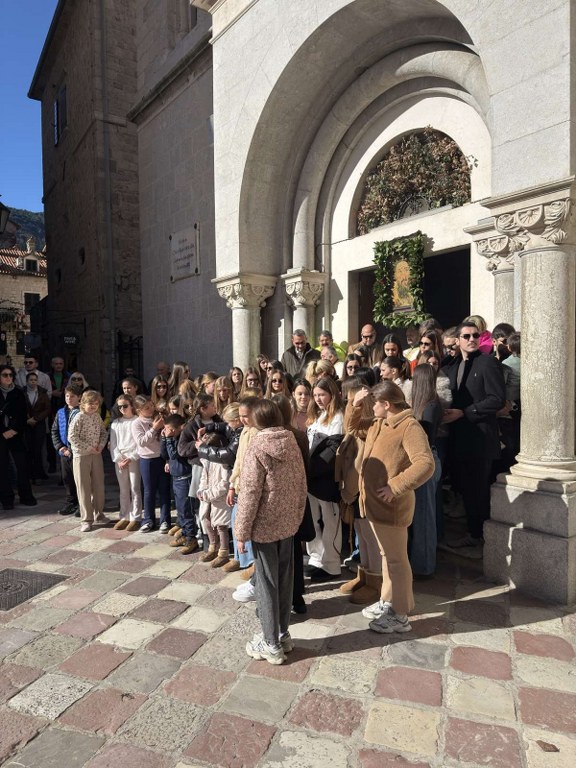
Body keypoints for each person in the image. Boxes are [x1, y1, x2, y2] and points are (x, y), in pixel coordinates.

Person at [349, 381, 434, 633]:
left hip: (392, 507)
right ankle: (389, 600)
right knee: (388, 556)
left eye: (373, 403)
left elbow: (425, 464)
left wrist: (395, 486)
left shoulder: (409, 426)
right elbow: (353, 428)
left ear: (386, 404)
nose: (371, 407)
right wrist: (355, 405)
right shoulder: (380, 423)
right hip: (376, 505)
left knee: (396, 560)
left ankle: (400, 614)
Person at [235, 399, 307, 665]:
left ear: (257, 420)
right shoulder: (292, 440)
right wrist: (297, 516)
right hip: (287, 523)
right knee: (285, 578)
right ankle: (282, 634)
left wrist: (241, 531)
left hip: (265, 524)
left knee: (266, 583)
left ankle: (271, 642)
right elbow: (301, 483)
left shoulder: (257, 445)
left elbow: (250, 491)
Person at [443, 321, 506, 546]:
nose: (472, 339)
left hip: (480, 439)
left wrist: (466, 412)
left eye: (475, 336)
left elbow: (497, 399)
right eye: (467, 336)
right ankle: (473, 533)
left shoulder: (487, 362)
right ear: (457, 340)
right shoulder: (453, 365)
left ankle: (479, 537)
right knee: (465, 489)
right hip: (458, 438)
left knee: (478, 490)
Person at [306, 376, 345, 580]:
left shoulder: (338, 417)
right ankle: (316, 558)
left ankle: (331, 564)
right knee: (313, 520)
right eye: (315, 395)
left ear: (332, 394)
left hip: (326, 478)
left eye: (322, 394)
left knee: (331, 521)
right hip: (311, 477)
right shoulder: (318, 415)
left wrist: (310, 469)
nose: (318, 399)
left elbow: (332, 451)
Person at [408, 365, 443, 577]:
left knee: (424, 517)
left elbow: (426, 438)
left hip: (427, 460)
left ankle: (424, 567)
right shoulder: (425, 404)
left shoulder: (430, 405)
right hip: (424, 459)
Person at [68, 389, 109, 533]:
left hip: (96, 454)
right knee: (84, 488)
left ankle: (99, 514)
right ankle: (86, 520)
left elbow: (104, 433)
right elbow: (72, 437)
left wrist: (101, 446)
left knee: (98, 486)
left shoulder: (97, 417)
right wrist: (88, 448)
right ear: (83, 403)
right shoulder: (79, 417)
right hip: (81, 456)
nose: (93, 406)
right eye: (90, 403)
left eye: (96, 404)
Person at [132, 395, 171, 532]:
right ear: (139, 410)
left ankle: (165, 520)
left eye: (151, 406)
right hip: (147, 460)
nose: (151, 409)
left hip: (162, 458)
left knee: (164, 490)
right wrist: (154, 428)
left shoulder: (159, 418)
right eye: (146, 408)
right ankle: (148, 519)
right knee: (149, 491)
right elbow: (141, 442)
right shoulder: (136, 423)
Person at [162, 413, 199, 554]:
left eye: (170, 429)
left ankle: (191, 538)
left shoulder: (182, 439)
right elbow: (164, 454)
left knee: (186, 509)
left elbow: (174, 455)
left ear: (178, 428)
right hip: (176, 477)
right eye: (166, 429)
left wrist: (169, 439)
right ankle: (184, 533)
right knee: (180, 509)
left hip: (185, 478)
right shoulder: (170, 438)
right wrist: (164, 439)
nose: (168, 431)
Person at [0, 365, 36, 510]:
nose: (8, 378)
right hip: (1, 435)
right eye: (5, 375)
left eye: (10, 375)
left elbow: (23, 414)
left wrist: (14, 430)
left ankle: (26, 496)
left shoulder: (18, 393)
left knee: (22, 466)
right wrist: (3, 432)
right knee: (2, 467)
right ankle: (6, 499)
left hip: (16, 434)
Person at [197, 433, 232, 568]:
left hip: (219, 498)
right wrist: (201, 490)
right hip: (207, 497)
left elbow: (225, 484)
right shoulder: (207, 461)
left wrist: (208, 494)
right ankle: (213, 546)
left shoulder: (223, 463)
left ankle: (223, 552)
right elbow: (204, 478)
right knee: (206, 520)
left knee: (221, 526)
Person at [109, 394, 142, 531]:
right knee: (123, 489)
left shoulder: (137, 421)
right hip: (120, 460)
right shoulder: (116, 423)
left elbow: (139, 443)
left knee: (135, 488)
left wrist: (131, 457)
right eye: (120, 407)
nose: (122, 409)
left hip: (133, 458)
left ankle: (136, 517)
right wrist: (118, 459)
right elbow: (113, 444)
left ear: (132, 405)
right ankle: (124, 516)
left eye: (125, 406)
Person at [52, 384, 82, 516]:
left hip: (79, 452)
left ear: (79, 397)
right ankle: (71, 502)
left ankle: (82, 504)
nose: (69, 398)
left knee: (80, 479)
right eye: (67, 396)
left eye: (72, 396)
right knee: (67, 478)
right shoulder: (60, 412)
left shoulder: (82, 412)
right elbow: (54, 431)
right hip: (65, 452)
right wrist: (61, 447)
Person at [24, 371, 51, 484]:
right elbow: (19, 407)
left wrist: (36, 418)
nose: (33, 382)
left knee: (38, 450)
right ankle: (30, 475)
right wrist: (27, 419)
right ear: (27, 381)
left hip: (39, 424)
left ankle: (38, 475)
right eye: (31, 380)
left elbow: (47, 409)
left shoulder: (42, 393)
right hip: (26, 425)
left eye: (35, 380)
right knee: (28, 449)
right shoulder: (22, 392)